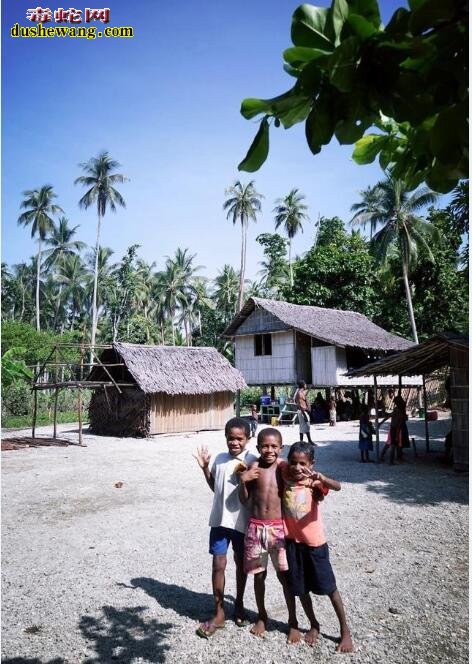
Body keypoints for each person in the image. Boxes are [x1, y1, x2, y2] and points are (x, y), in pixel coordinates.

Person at [280, 442, 353, 652]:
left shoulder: (314, 482)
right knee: (301, 589)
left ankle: (345, 631)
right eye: (293, 462)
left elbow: (337, 486)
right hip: (293, 543)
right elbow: (275, 461)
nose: (296, 467)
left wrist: (320, 478)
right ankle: (314, 624)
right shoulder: (285, 474)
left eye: (302, 463)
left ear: (311, 463)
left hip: (315, 544)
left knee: (330, 588)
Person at [194, 417, 258, 638]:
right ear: (226, 438)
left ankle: (239, 603)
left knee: (241, 565)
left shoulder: (252, 460)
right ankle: (219, 612)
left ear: (248, 439)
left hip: (241, 523)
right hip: (220, 522)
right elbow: (216, 488)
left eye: (239, 439)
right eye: (231, 438)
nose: (235, 443)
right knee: (218, 565)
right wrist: (205, 470)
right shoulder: (220, 459)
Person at [238, 428, 299, 642]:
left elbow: (299, 486)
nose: (269, 450)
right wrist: (243, 481)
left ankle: (293, 621)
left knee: (284, 576)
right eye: (265, 446)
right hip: (255, 528)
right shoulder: (253, 468)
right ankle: (262, 615)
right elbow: (244, 500)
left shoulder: (284, 468)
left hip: (278, 530)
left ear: (281, 448)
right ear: (258, 448)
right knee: (259, 575)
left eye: (274, 446)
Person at [380, 395, 408, 464]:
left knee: (389, 443)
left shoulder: (396, 410)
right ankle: (391, 461)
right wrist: (397, 434)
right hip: (396, 429)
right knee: (394, 444)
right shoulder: (399, 412)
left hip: (393, 428)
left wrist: (381, 422)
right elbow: (399, 423)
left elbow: (388, 416)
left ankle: (382, 456)